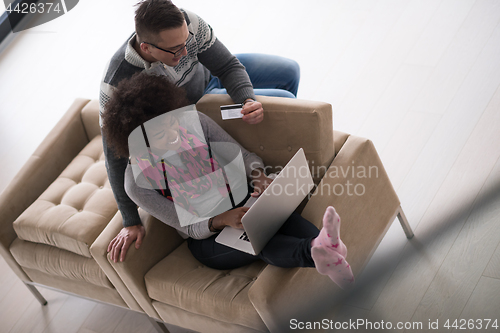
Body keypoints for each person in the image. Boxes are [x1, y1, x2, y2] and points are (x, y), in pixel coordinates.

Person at [102, 72, 354, 289]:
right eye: (160, 134)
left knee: (281, 220)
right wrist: (223, 219)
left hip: (246, 202)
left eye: (172, 123)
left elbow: (242, 156)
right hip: (209, 239)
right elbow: (188, 227)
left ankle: (326, 250)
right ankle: (319, 251)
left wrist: (259, 177)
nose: (173, 135)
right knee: (259, 240)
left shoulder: (195, 124)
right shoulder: (137, 183)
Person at [99, 0, 300, 258]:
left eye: (186, 42)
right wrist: (130, 219)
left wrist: (248, 100)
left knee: (289, 73)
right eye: (175, 50)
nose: (185, 51)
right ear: (146, 47)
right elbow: (115, 155)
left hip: (208, 79)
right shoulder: (117, 83)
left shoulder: (186, 25)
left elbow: (227, 66)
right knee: (285, 101)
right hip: (191, 111)